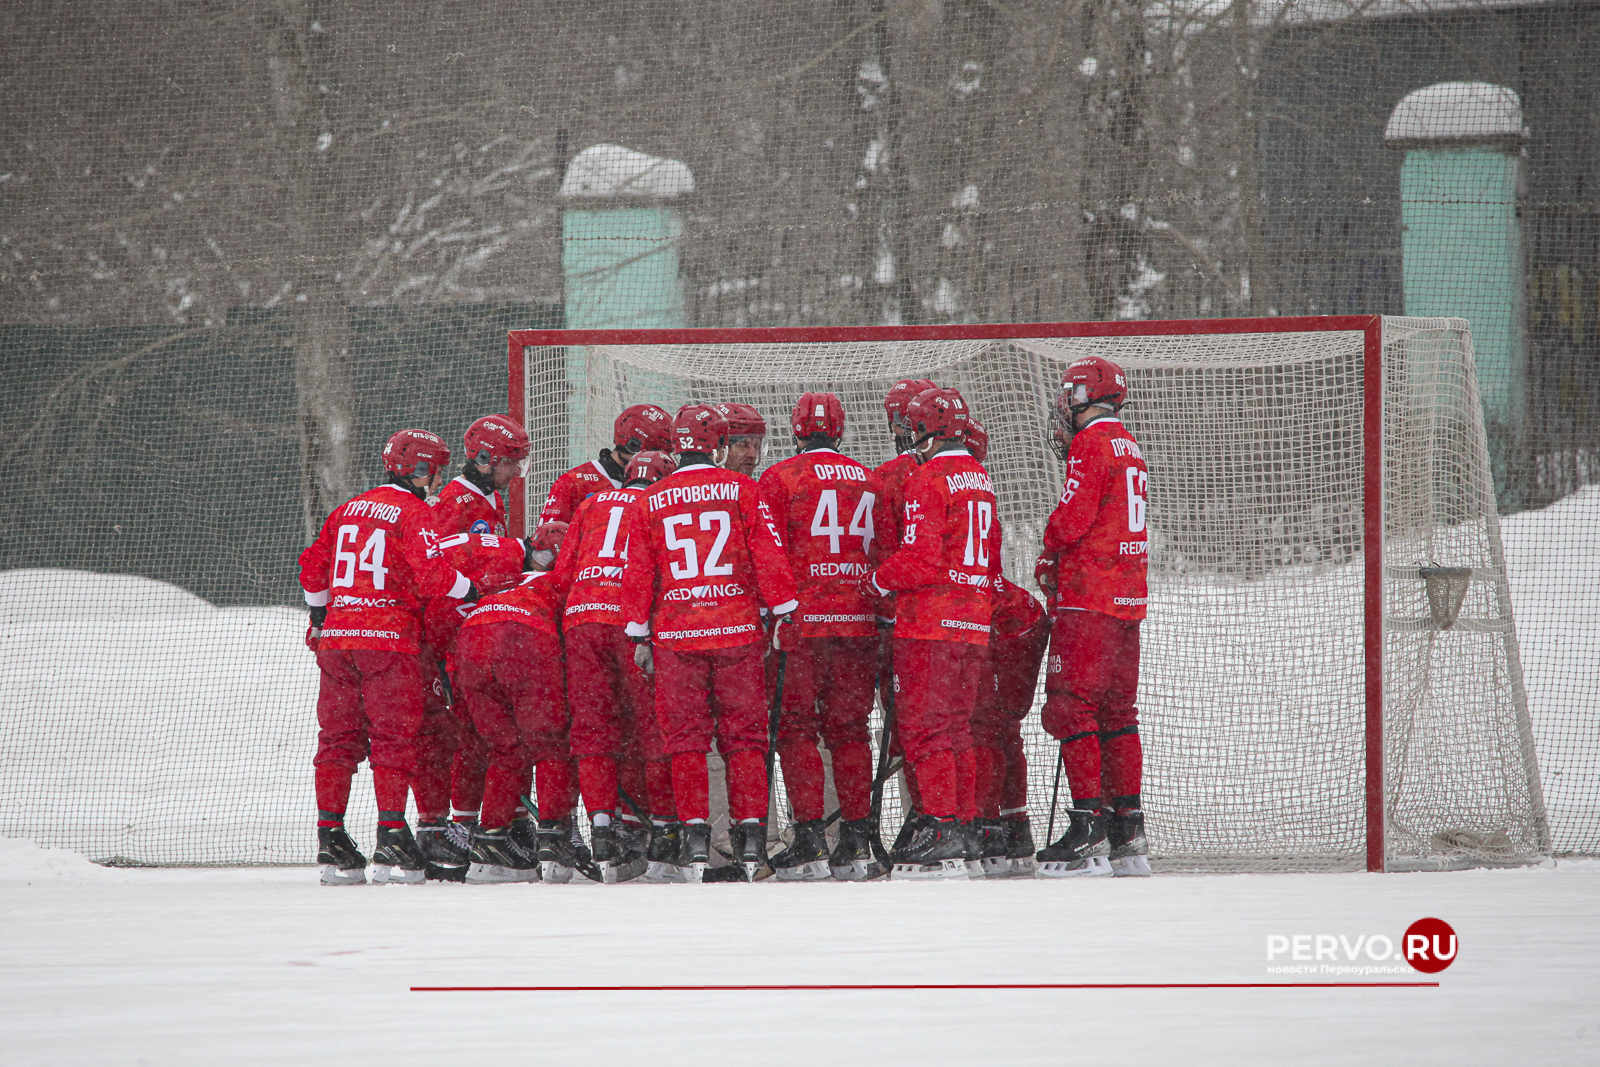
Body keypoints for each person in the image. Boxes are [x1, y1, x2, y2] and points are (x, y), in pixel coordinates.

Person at [619, 404, 800, 882]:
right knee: (745, 740)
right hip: (737, 631)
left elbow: (639, 571)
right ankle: (751, 840)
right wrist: (783, 609)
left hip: (678, 635)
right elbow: (768, 554)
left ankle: (697, 841)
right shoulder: (742, 489)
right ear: (719, 445)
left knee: (686, 743)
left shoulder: (650, 498)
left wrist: (638, 630)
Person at [298, 429, 476, 886]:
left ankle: (330, 837)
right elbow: (434, 575)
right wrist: (470, 590)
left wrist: (322, 613)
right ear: (421, 470)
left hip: (338, 641)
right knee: (394, 740)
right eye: (432, 470)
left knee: (337, 740)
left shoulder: (346, 509)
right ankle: (392, 831)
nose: (435, 480)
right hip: (388, 641)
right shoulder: (414, 512)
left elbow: (312, 568)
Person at [864, 387, 1001, 879]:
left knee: (925, 730)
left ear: (924, 430)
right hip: (972, 620)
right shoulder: (979, 477)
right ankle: (962, 826)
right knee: (958, 728)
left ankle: (941, 827)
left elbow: (920, 558)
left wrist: (877, 580)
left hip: (931, 624)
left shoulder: (929, 477)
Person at [757, 392, 894, 881]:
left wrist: (779, 608)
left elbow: (767, 551)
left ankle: (811, 837)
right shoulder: (871, 480)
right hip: (857, 621)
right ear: (841, 432)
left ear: (796, 430)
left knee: (796, 729)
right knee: (850, 730)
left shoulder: (779, 479)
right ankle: (856, 838)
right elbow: (886, 550)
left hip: (803, 624)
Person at [1033, 356, 1150, 878]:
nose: (1065, 401)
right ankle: (1128, 826)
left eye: (1070, 391)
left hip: (1090, 597)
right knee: (1119, 715)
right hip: (1128, 597)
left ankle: (1089, 828)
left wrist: (1049, 541)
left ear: (1088, 393)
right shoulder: (1130, 445)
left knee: (1072, 708)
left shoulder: (1091, 443)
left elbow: (1073, 518)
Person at [547, 448, 678, 883]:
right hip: (629, 621)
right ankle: (661, 832)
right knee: (651, 729)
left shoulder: (591, 502)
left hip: (583, 620)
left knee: (592, 730)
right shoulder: (658, 505)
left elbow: (563, 574)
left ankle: (603, 829)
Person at [415, 414, 532, 877]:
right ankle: (462, 829)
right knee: (471, 737)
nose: (516, 473)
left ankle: (506, 822)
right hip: (452, 634)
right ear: (484, 459)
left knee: (490, 734)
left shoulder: (488, 495)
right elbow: (443, 565)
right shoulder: (455, 501)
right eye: (509, 463)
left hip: (474, 630)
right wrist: (517, 552)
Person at [450, 522, 576, 883]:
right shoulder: (561, 582)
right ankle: (553, 838)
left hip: (472, 636)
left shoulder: (505, 577)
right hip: (523, 636)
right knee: (552, 745)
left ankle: (491, 839)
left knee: (506, 749)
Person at [540, 403, 672, 524]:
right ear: (633, 444)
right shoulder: (573, 483)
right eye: (655, 451)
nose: (659, 460)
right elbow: (547, 541)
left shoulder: (659, 487)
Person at [713, 402, 768, 478]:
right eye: (743, 445)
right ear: (719, 447)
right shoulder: (697, 486)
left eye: (756, 446)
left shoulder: (752, 488)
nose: (753, 455)